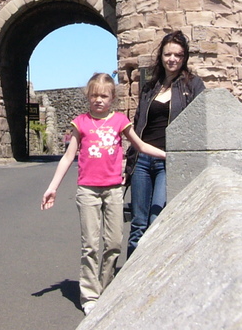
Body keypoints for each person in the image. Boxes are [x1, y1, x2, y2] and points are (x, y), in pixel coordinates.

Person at [41, 73, 165, 315]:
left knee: (114, 243)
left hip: (113, 190)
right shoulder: (81, 123)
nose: (98, 99)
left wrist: (167, 155)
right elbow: (68, 157)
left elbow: (139, 145)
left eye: (104, 95)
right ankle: (89, 295)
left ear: (112, 98)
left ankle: (106, 288)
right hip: (87, 189)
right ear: (88, 96)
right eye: (94, 95)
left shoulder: (119, 121)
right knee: (90, 245)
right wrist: (53, 187)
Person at [127, 30, 205, 258]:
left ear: (184, 57)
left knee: (157, 218)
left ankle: (153, 276)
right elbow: (137, 124)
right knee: (138, 224)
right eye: (168, 54)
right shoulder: (150, 87)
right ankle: (129, 280)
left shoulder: (193, 86)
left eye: (178, 55)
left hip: (168, 160)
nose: (172, 59)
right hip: (142, 160)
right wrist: (129, 163)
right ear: (161, 55)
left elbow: (202, 121)